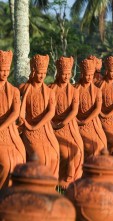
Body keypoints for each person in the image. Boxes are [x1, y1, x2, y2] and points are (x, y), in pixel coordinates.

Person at [19, 54, 59, 178]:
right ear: (33, 71)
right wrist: (26, 124)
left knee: (54, 153)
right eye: (39, 73)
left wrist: (37, 125)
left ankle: (51, 185)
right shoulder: (24, 88)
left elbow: (51, 112)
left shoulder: (49, 92)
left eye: (44, 73)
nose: (42, 76)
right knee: (40, 156)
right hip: (28, 127)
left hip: (44, 129)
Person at [50, 56, 84, 188]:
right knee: (65, 152)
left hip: (69, 125)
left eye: (68, 74)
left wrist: (64, 122)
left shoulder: (74, 91)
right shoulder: (51, 88)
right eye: (63, 74)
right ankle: (61, 179)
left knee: (78, 148)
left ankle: (72, 178)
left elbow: (74, 110)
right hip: (53, 125)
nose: (66, 76)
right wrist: (53, 124)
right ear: (58, 73)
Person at [0, 50, 26, 189]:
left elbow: (15, 112)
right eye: (1, 70)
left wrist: (2, 127)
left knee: (19, 156)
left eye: (6, 70)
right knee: (6, 162)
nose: (4, 73)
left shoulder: (14, 91)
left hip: (9, 131)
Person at [75, 58, 107, 162]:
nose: (89, 77)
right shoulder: (75, 89)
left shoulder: (97, 91)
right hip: (77, 122)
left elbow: (97, 108)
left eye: (91, 75)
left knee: (102, 144)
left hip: (93, 122)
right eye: (87, 74)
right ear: (82, 74)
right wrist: (77, 120)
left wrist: (87, 120)